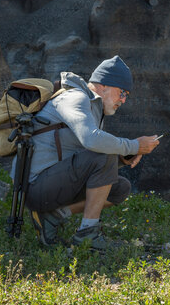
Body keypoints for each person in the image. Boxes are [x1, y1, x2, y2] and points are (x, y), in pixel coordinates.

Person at [13, 56, 159, 248]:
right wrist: (134, 145)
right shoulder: (76, 98)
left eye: (126, 95)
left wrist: (124, 158)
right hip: (35, 188)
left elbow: (89, 161)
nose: (123, 100)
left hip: (52, 183)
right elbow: (91, 140)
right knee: (103, 153)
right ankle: (87, 235)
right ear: (104, 85)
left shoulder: (94, 107)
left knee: (120, 188)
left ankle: (54, 216)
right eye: (122, 92)